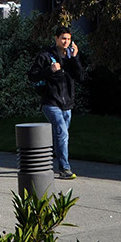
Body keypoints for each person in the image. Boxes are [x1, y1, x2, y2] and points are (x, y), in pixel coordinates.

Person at [27, 26, 84, 180]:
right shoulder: (46, 56)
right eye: (63, 38)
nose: (66, 42)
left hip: (67, 103)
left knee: (61, 135)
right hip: (50, 102)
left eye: (69, 39)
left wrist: (75, 58)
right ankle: (65, 169)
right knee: (62, 133)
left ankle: (48, 160)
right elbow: (32, 76)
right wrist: (49, 70)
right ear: (56, 38)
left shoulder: (71, 57)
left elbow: (80, 77)